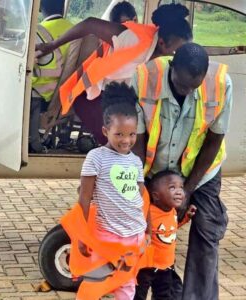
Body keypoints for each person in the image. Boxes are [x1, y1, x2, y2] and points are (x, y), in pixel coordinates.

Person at [132, 43, 232, 300]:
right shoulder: (144, 77)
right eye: (181, 85)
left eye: (193, 87)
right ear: (172, 66)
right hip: (153, 166)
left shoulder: (221, 84)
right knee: (146, 226)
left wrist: (186, 191)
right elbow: (138, 137)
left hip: (201, 169)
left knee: (207, 229)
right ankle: (145, 286)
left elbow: (214, 140)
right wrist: (140, 184)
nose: (187, 91)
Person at [36, 3, 192, 145]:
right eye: (176, 52)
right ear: (162, 43)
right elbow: (90, 23)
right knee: (118, 141)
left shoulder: (164, 60)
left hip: (121, 96)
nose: (180, 56)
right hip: (91, 95)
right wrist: (51, 45)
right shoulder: (133, 37)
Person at [61, 82, 149, 300]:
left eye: (131, 134)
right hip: (106, 238)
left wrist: (147, 230)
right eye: (119, 134)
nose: (126, 140)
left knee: (126, 285)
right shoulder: (96, 158)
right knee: (94, 285)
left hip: (134, 237)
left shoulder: (136, 162)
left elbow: (141, 197)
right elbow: (84, 197)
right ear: (105, 131)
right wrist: (81, 236)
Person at [135, 170, 197, 300]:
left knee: (164, 295)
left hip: (166, 266)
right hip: (145, 267)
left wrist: (186, 217)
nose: (179, 191)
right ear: (156, 196)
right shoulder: (148, 213)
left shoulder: (172, 211)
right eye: (172, 187)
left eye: (181, 187)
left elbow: (170, 228)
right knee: (138, 295)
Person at [29, 0, 73, 153]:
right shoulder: (75, 30)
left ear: (40, 8)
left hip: (43, 95)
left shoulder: (37, 32)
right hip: (67, 94)